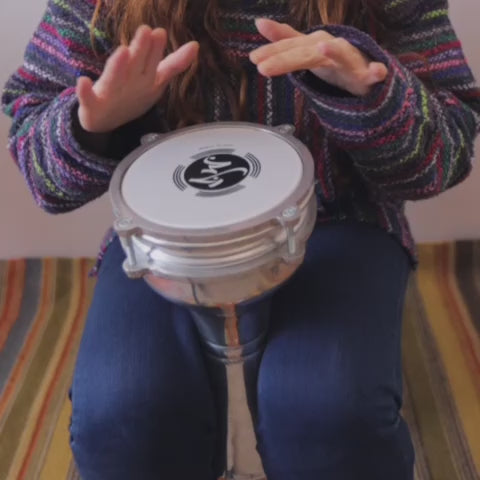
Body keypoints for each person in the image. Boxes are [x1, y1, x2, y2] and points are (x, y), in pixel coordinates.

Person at [2, 0, 480, 478]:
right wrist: (94, 125)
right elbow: (42, 172)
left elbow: (446, 155)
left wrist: (372, 93)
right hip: (167, 241)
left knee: (326, 412)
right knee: (123, 414)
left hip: (340, 220)